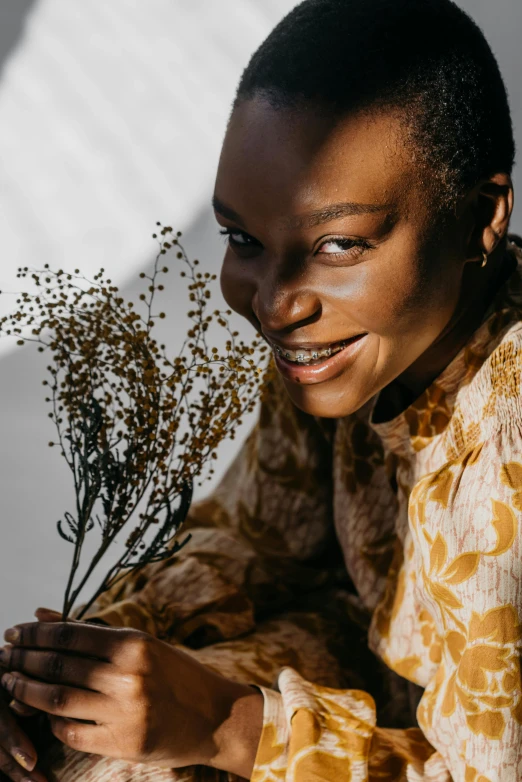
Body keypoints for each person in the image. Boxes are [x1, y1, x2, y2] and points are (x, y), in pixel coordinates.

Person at [0, 0, 521, 779]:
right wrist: (70, 660)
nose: (277, 305)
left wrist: (224, 727)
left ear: (481, 215)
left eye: (340, 244)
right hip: (354, 664)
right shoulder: (345, 345)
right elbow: (258, 537)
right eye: (245, 239)